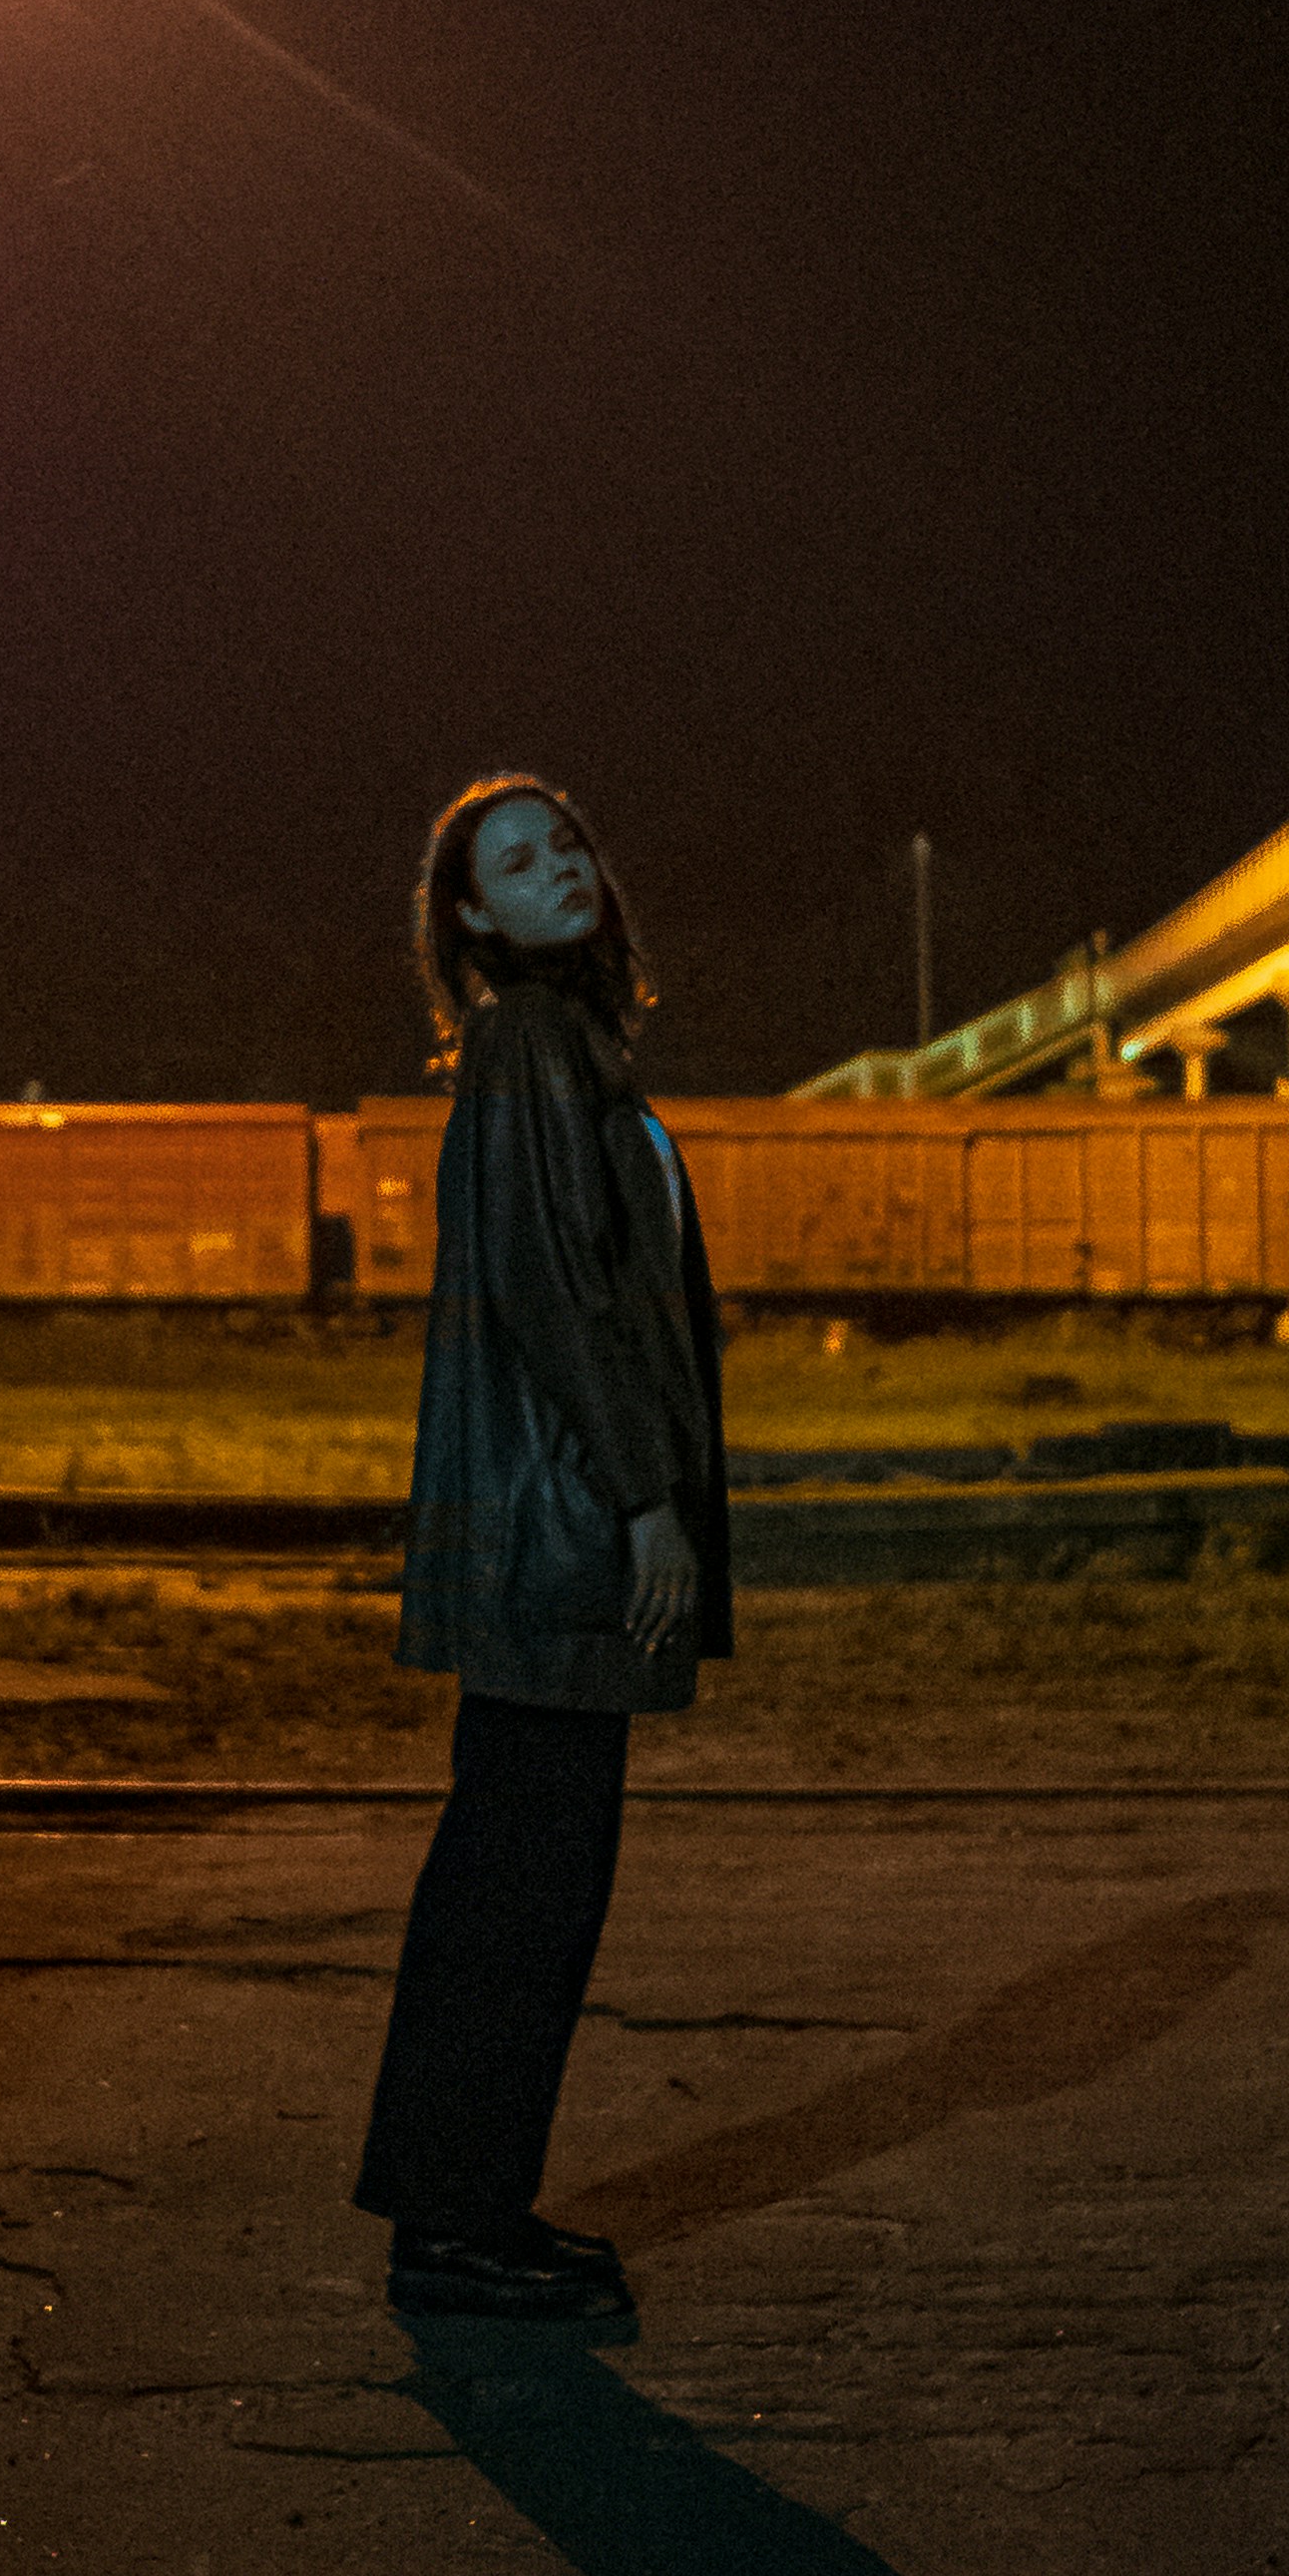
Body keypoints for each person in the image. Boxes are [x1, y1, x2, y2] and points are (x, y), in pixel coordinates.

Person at [353, 774, 732, 2323]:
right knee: (521, 1888)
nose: (557, 869)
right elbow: (552, 1295)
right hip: (557, 1522)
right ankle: (454, 2224)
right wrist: (645, 1495)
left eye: (567, 843)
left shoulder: (565, 1047)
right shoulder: (522, 1046)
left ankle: (465, 2206)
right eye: (515, 861)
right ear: (470, 917)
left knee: (519, 1878)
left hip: (554, 1513)